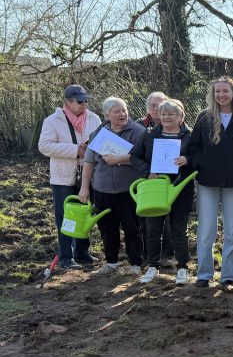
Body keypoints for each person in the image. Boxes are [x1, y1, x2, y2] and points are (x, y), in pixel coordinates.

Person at [188, 77, 233, 291]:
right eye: (218, 92)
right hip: (207, 182)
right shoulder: (204, 118)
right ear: (213, 94)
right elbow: (193, 147)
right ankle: (204, 274)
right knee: (206, 230)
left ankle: (229, 276)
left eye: (226, 91)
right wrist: (201, 165)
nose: (221, 95)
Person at [79, 97, 147, 277]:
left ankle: (135, 264)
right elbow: (89, 162)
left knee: (132, 227)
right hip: (101, 190)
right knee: (107, 228)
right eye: (117, 111)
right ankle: (111, 262)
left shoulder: (139, 132)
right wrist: (84, 188)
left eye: (124, 110)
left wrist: (121, 159)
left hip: (128, 190)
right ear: (107, 115)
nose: (122, 114)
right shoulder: (98, 133)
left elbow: (143, 158)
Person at [130, 99, 195, 285]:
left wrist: (187, 159)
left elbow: (199, 158)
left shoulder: (189, 136)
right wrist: (147, 172)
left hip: (180, 188)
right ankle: (152, 266)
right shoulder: (149, 135)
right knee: (152, 229)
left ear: (180, 116)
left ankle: (182, 267)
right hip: (154, 188)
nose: (166, 117)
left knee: (179, 230)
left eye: (171, 114)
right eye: (163, 113)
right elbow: (134, 156)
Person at [38, 84, 102, 269]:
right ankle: (67, 256)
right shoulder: (52, 120)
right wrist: (75, 150)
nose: (85, 105)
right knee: (65, 216)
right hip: (63, 177)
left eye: (86, 100)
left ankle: (83, 252)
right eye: (80, 101)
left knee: (84, 212)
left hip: (86, 175)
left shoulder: (94, 118)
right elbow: (45, 146)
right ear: (68, 102)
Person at [136, 91, 175, 269]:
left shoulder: (181, 129)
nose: (158, 109)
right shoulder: (140, 128)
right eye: (154, 106)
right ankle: (149, 256)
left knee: (171, 221)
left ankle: (168, 255)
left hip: (171, 182)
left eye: (161, 105)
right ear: (148, 108)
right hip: (148, 184)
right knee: (147, 220)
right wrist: (148, 172)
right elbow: (134, 156)